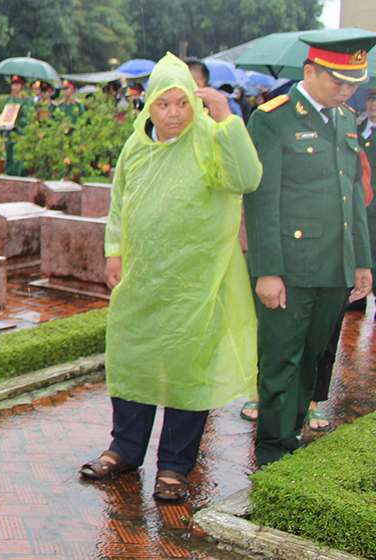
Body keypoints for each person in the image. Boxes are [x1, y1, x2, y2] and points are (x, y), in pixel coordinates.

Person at [81, 53, 261, 502]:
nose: (174, 113)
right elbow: (119, 204)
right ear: (149, 105)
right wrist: (114, 252)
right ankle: (125, 449)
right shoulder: (135, 146)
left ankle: (175, 466)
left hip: (195, 281)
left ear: (195, 102)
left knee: (188, 368)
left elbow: (247, 178)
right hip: (142, 278)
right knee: (132, 357)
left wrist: (227, 120)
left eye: (183, 103)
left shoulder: (209, 137)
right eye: (164, 104)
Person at [243, 32, 374, 468]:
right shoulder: (273, 118)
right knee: (282, 359)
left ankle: (290, 435)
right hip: (290, 266)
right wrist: (267, 270)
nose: (347, 90)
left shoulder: (345, 119)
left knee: (314, 356)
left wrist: (360, 261)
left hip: (334, 265)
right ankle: (272, 450)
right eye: (339, 81)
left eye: (354, 83)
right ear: (310, 71)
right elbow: (261, 200)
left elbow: (352, 196)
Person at [2, 75, 34, 176]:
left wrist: (16, 124)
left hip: (20, 132)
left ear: (22, 86)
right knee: (9, 157)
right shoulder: (9, 100)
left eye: (17, 84)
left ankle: (18, 177)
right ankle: (9, 176)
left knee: (18, 158)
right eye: (13, 84)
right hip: (9, 133)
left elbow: (26, 118)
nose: (14, 87)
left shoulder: (26, 101)